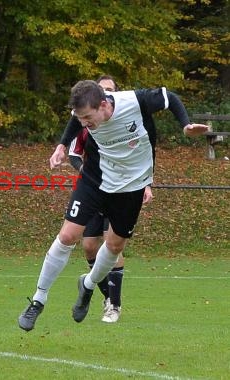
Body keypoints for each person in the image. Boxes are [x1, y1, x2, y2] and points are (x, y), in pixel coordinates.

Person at [18, 79, 208, 331]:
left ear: (104, 104)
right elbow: (76, 119)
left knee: (115, 245)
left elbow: (169, 97)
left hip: (131, 186)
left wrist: (185, 125)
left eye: (88, 117)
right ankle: (38, 300)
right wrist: (63, 145)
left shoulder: (136, 101)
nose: (85, 124)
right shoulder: (85, 113)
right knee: (68, 235)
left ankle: (87, 285)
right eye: (81, 118)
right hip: (95, 179)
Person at [67, 75, 153, 323]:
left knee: (114, 244)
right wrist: (87, 175)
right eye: (102, 89)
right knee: (89, 246)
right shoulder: (86, 125)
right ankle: (101, 293)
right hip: (96, 190)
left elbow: (138, 155)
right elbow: (74, 153)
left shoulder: (126, 118)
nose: (106, 93)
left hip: (122, 190)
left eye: (110, 90)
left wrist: (145, 184)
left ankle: (113, 304)